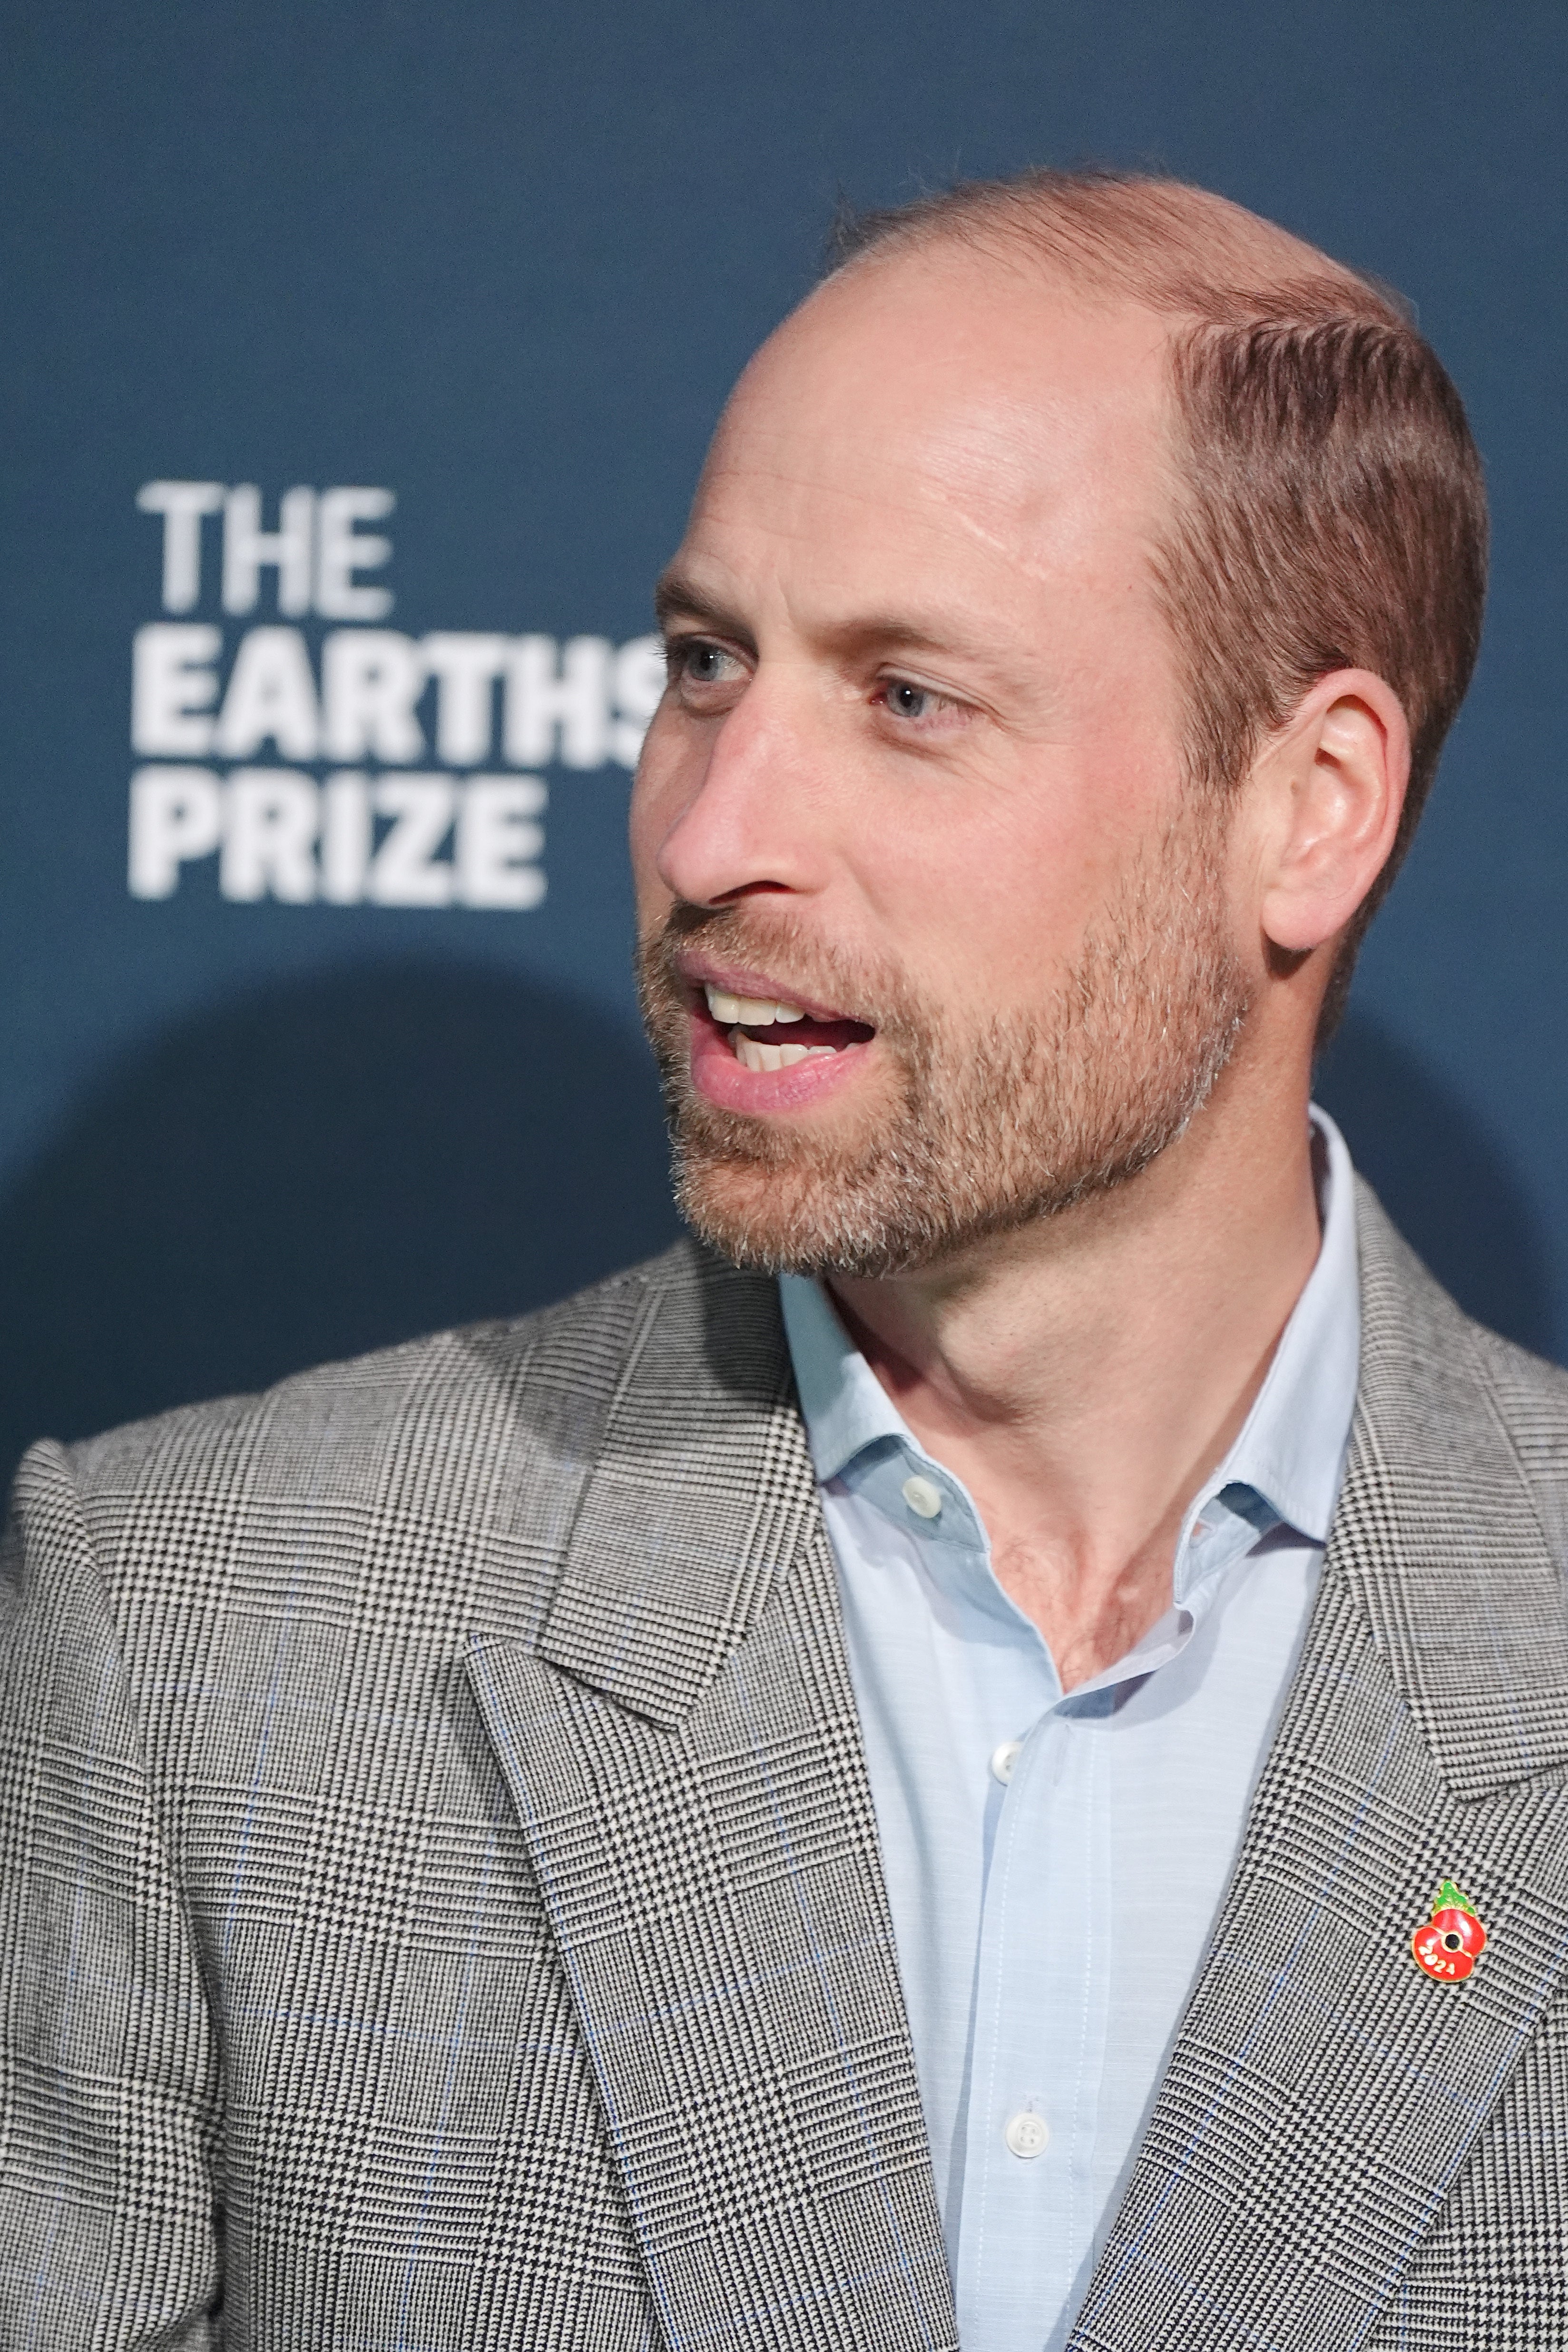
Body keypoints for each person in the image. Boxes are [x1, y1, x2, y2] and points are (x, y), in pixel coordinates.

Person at [3, 167, 1564, 2352]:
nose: (713, 832)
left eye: (908, 697)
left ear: (1305, 806)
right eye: (702, 664)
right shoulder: (199, 1641)